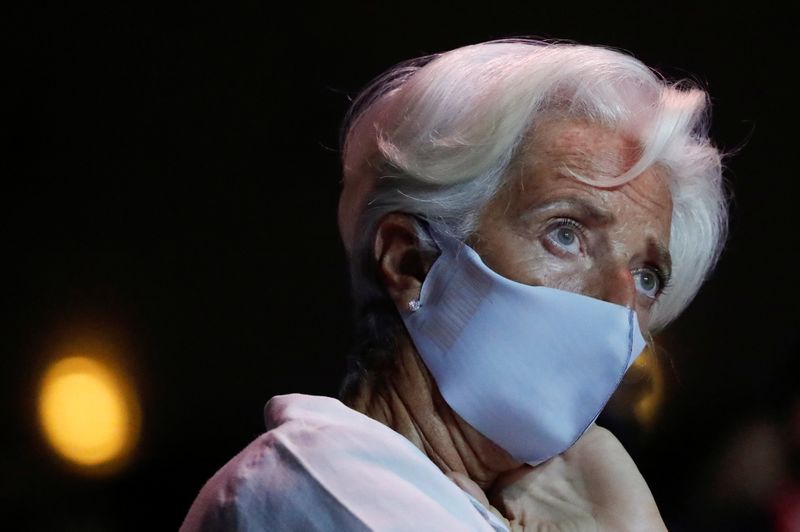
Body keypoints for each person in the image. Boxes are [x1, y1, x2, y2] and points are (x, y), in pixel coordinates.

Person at [181, 39, 728, 531]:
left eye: (646, 276)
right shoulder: (322, 485)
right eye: (566, 233)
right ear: (411, 263)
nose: (619, 307)